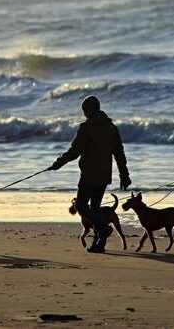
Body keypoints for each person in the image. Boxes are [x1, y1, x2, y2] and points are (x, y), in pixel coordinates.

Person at [48, 95, 131, 253]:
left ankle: (102, 229)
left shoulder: (86, 128)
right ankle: (99, 244)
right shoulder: (112, 128)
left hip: (88, 176)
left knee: (80, 206)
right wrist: (124, 175)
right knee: (94, 210)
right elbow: (119, 154)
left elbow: (74, 151)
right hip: (104, 176)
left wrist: (58, 163)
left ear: (87, 111)